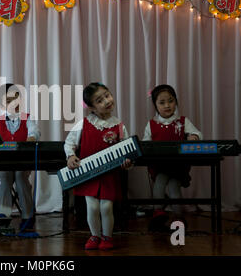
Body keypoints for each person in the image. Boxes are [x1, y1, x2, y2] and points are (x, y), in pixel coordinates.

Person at [64, 82, 132, 250]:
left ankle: (107, 237)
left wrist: (127, 161)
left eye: (107, 95)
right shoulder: (83, 124)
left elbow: (127, 149)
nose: (107, 101)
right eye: (100, 100)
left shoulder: (119, 126)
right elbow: (69, 143)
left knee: (106, 206)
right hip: (89, 174)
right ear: (92, 108)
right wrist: (71, 156)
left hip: (110, 175)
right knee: (92, 207)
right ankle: (95, 235)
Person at [143, 84, 202, 231]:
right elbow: (145, 143)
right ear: (155, 106)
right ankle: (158, 213)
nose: (167, 105)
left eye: (170, 101)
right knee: (159, 185)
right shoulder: (151, 124)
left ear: (176, 101)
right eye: (162, 103)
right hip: (160, 165)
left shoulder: (182, 121)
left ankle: (178, 218)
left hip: (177, 165)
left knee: (175, 189)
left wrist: (193, 136)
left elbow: (197, 133)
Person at [0, 83, 40, 230]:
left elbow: (34, 132)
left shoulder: (28, 118)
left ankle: (27, 215)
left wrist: (32, 137)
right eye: (8, 101)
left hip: (23, 160)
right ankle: (2, 214)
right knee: (5, 177)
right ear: (2, 104)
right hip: (4, 161)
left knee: (20, 176)